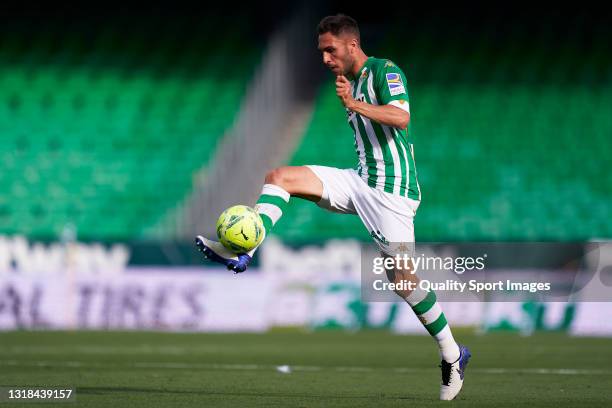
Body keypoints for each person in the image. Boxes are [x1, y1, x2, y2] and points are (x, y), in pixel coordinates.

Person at [196, 14, 470, 400]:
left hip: (392, 193)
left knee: (403, 282)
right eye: (321, 51)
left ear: (352, 45)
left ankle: (453, 353)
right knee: (280, 177)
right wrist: (353, 100)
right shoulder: (350, 82)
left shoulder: (383, 71)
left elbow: (401, 116)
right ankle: (245, 247)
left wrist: (355, 104)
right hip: (359, 181)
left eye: (330, 50)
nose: (325, 58)